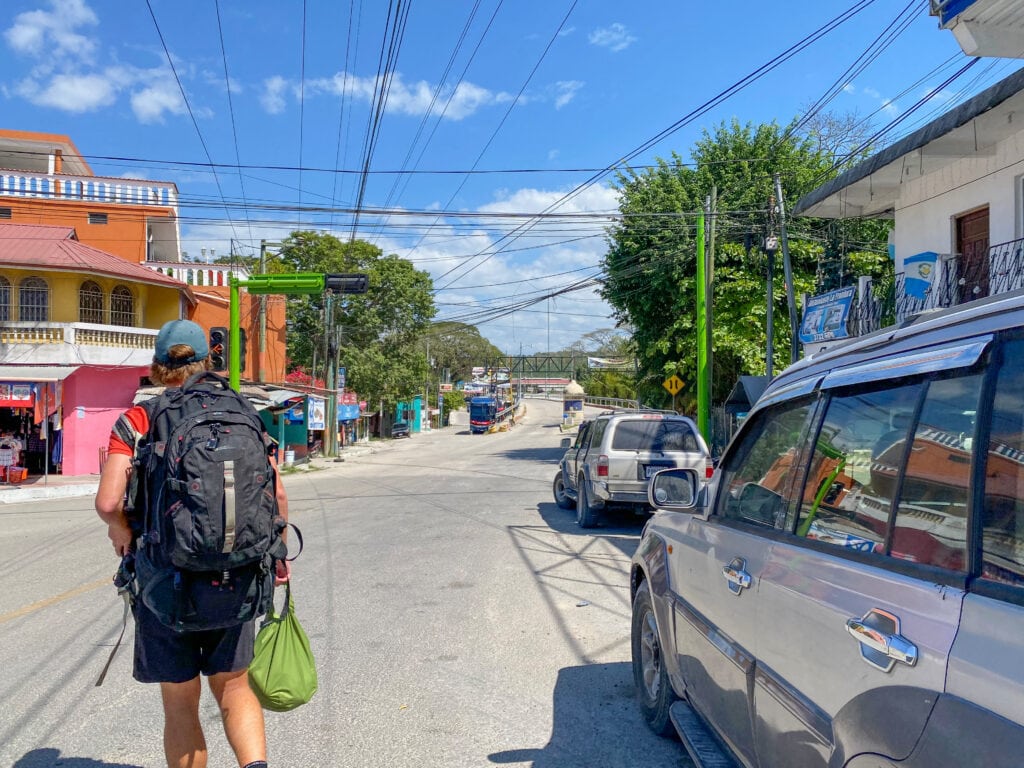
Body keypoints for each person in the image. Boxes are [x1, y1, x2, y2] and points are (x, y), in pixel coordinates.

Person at [95, 319, 290, 768]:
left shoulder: (138, 419)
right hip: (237, 573)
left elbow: (109, 502)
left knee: (181, 700)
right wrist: (277, 554)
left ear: (159, 367)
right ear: (210, 358)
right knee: (235, 686)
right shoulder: (246, 412)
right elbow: (275, 494)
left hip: (167, 579)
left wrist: (120, 529)